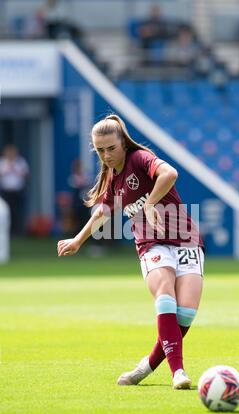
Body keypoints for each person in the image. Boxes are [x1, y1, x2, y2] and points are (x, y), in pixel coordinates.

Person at [57, 114, 204, 389]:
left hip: (186, 239)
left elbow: (170, 173)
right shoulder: (112, 177)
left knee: (185, 314)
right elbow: (103, 210)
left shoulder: (139, 158)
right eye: (100, 150)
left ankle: (145, 366)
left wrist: (149, 204)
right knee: (165, 295)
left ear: (123, 143)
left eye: (111, 148)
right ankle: (178, 373)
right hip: (151, 243)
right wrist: (78, 239)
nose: (106, 155)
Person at [0, 144, 29, 235]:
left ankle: (19, 231)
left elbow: (25, 175)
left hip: (18, 191)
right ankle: (7, 231)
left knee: (18, 211)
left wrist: (15, 169)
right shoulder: (2, 162)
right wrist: (8, 169)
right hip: (6, 191)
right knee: (6, 212)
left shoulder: (21, 162)